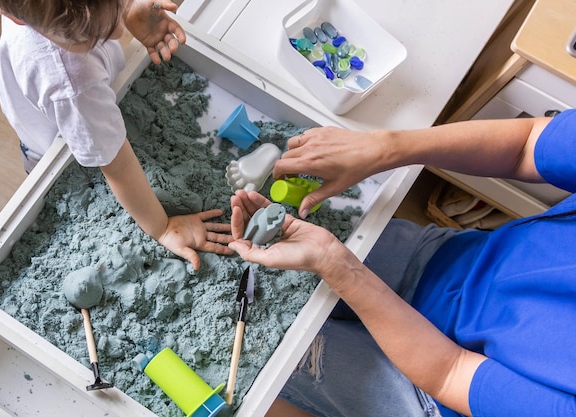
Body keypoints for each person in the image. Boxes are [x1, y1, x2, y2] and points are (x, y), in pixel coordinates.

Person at [229, 111, 576, 417]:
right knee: (301, 274)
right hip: (453, 264)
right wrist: (386, 147)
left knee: (262, 352)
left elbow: (450, 372)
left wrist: (338, 266)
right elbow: (527, 145)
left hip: (440, 393)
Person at [0, 0, 233, 270]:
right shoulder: (73, 83)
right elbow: (117, 164)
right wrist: (162, 228)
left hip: (83, 92)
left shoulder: (41, 12)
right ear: (8, 12)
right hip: (52, 141)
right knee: (50, 184)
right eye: (95, 34)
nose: (119, 31)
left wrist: (129, 10)